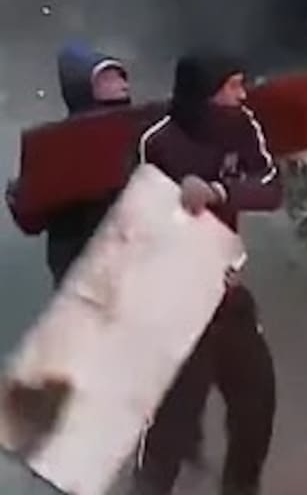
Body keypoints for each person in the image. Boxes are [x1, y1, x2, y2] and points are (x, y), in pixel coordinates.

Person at [130, 52, 281, 495]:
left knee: (256, 403)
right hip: (176, 302)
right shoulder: (157, 142)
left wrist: (219, 191)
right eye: (232, 86)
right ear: (204, 92)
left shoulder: (244, 125)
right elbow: (135, 222)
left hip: (227, 296)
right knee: (171, 426)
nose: (242, 95)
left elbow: (270, 187)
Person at [5, 43, 132, 286]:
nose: (122, 83)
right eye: (109, 78)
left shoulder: (144, 129)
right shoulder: (56, 145)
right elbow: (32, 218)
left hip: (132, 250)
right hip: (78, 254)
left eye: (120, 76)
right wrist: (21, 194)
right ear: (86, 86)